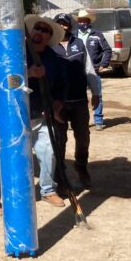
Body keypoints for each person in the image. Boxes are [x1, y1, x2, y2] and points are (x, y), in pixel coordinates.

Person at [0, 15, 67, 213]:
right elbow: (3, 84)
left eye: (46, 31)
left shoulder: (54, 58)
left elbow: (61, 87)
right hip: (16, 116)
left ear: (49, 37)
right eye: (38, 28)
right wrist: (28, 74)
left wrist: (56, 106)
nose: (40, 33)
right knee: (4, 157)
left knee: (49, 152)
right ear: (31, 32)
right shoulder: (15, 54)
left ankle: (47, 190)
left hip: (41, 115)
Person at [53, 13, 100, 189]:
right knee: (59, 139)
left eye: (65, 23)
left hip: (79, 100)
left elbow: (89, 69)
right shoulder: (50, 46)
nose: (62, 26)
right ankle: (60, 175)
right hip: (58, 103)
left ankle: (81, 166)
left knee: (83, 138)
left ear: (70, 26)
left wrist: (96, 92)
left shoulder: (79, 44)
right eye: (59, 24)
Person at [77, 9, 112, 130]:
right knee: (79, 96)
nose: (82, 23)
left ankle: (98, 120)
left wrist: (103, 64)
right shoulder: (74, 35)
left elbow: (107, 50)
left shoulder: (97, 35)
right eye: (80, 20)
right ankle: (80, 120)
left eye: (84, 20)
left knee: (97, 95)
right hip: (78, 71)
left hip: (94, 70)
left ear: (88, 21)